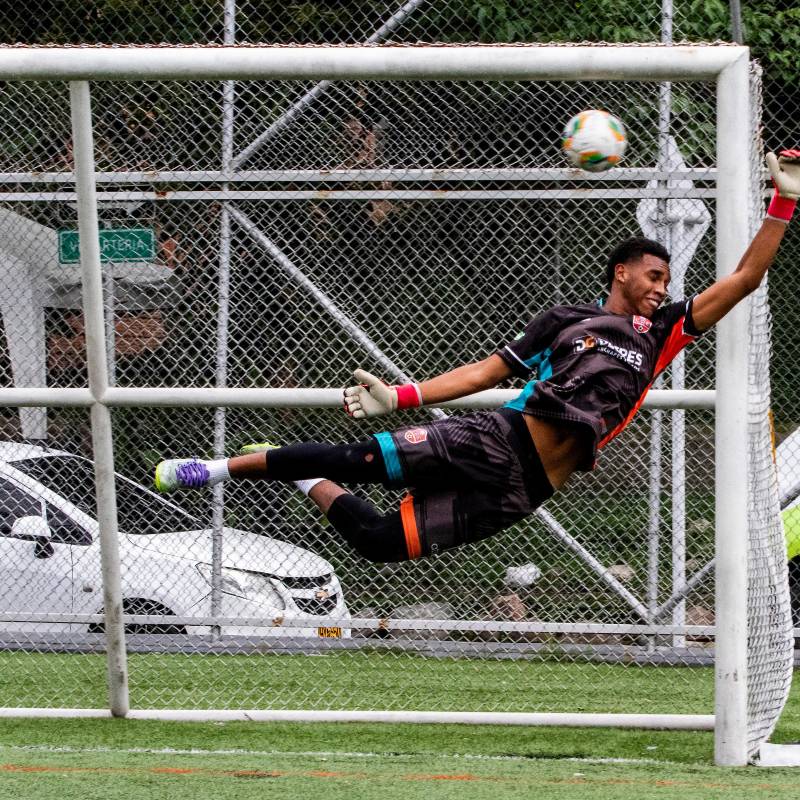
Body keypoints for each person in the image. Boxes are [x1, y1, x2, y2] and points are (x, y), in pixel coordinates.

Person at [154, 150, 800, 565]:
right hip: (497, 438)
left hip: (531, 487)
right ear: (620, 271)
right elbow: (487, 374)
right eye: (652, 273)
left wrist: (784, 201)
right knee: (354, 458)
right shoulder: (566, 321)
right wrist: (406, 396)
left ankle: (298, 478)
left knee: (380, 542)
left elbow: (743, 279)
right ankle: (215, 469)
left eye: (666, 278)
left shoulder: (662, 333)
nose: (663, 284)